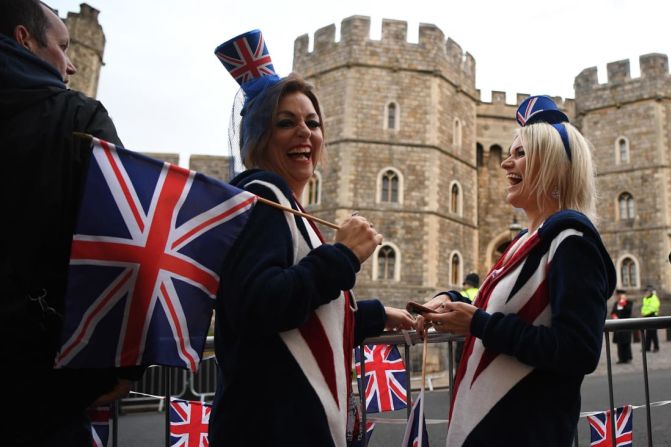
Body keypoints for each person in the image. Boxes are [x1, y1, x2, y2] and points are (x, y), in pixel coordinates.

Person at [209, 30, 416, 447]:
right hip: (270, 428)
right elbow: (259, 306)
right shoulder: (262, 196)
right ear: (258, 138)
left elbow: (304, 316)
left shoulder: (289, 208)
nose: (305, 132)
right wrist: (343, 256)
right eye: (285, 123)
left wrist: (375, 315)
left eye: (313, 122)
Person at [417, 95, 615, 446]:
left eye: (520, 154)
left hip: (526, 429)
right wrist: (449, 301)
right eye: (510, 152)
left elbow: (578, 350)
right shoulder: (527, 242)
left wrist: (478, 324)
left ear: (553, 165)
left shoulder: (572, 242)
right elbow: (499, 305)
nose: (506, 163)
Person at [0, 1, 140, 445]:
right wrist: (122, 364)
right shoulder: (78, 118)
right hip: (40, 384)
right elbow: (130, 244)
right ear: (25, 40)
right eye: (63, 47)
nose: (73, 64)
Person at [610, 289, 633, 364]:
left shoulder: (628, 302)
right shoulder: (616, 303)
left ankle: (627, 357)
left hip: (626, 325)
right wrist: (614, 316)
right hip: (618, 325)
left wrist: (623, 302)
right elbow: (613, 312)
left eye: (619, 295)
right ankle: (621, 358)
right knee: (619, 343)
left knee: (626, 342)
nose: (618, 296)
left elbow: (628, 311)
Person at [641, 285, 661, 352]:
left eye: (646, 292)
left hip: (652, 316)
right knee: (648, 333)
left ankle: (656, 347)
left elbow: (653, 308)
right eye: (645, 292)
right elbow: (644, 307)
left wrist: (645, 313)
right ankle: (647, 347)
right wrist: (643, 312)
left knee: (653, 333)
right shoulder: (645, 298)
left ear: (650, 292)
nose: (645, 293)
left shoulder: (654, 298)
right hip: (646, 317)